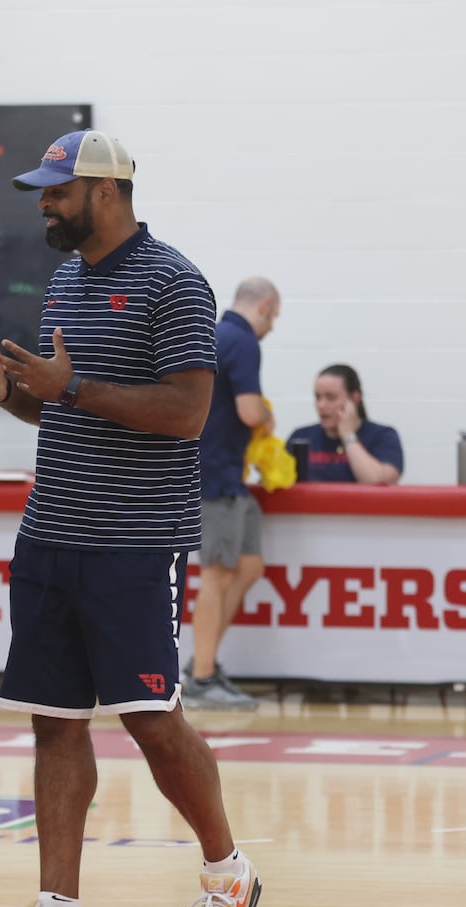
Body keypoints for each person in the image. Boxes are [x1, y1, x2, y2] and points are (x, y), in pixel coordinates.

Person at [0, 129, 261, 907]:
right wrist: (7, 392)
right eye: (42, 191)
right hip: (51, 533)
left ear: (106, 192)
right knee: (54, 723)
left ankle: (228, 872)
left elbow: (187, 413)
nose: (43, 203)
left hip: (134, 540)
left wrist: (70, 385)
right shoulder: (62, 280)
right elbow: (61, 408)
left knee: (152, 720)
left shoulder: (175, 283)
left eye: (55, 190)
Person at [186, 277, 280, 712]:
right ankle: (202, 678)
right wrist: (266, 414)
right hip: (215, 475)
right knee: (218, 574)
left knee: (248, 565)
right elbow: (248, 409)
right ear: (262, 306)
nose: (272, 326)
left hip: (225, 474)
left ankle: (200, 665)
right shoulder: (242, 340)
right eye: (273, 317)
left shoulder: (215, 333)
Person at [287, 364, 403, 484]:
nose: (321, 405)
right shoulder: (301, 436)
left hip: (360, 503)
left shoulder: (382, 436)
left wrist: (348, 435)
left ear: (354, 399)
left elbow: (378, 481)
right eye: (318, 397)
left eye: (331, 397)